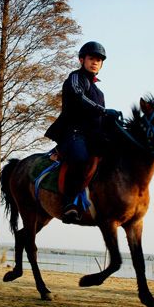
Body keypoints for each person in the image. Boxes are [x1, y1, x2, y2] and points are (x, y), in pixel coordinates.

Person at [45, 41, 122, 223]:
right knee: (80, 158)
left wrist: (113, 123)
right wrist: (104, 111)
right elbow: (79, 98)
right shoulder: (75, 78)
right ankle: (70, 203)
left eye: (99, 60)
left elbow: (99, 118)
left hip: (93, 135)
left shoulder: (99, 92)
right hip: (73, 132)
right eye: (91, 58)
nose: (95, 62)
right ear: (82, 60)